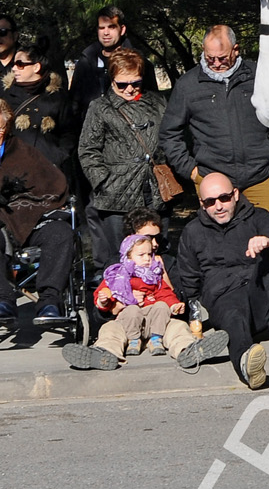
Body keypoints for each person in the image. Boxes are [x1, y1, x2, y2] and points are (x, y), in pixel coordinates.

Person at [159, 25, 269, 232]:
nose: (216, 63)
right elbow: (169, 133)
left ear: (236, 50)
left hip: (261, 175)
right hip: (212, 179)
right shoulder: (188, 85)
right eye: (210, 58)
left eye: (222, 57)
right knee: (220, 245)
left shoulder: (260, 76)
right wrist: (192, 171)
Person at [176, 172, 269, 389]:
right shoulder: (192, 232)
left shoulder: (257, 216)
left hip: (260, 296)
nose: (219, 206)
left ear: (236, 194)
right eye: (211, 202)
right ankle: (246, 363)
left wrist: (266, 239)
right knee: (233, 317)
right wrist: (195, 319)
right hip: (225, 297)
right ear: (202, 204)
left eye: (224, 198)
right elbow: (188, 276)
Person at [60, 231, 229, 371]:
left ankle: (188, 349)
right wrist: (105, 301)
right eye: (141, 255)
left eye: (150, 254)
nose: (148, 258)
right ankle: (104, 353)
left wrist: (173, 304)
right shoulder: (117, 276)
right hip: (128, 322)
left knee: (177, 327)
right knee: (110, 329)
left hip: (156, 323)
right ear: (128, 256)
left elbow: (165, 293)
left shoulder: (154, 275)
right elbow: (104, 296)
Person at [77, 47, 168, 275]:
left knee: (157, 252)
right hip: (116, 194)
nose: (129, 89)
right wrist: (104, 182)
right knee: (119, 256)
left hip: (153, 189)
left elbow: (170, 138)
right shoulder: (99, 108)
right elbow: (88, 150)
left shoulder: (158, 103)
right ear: (112, 79)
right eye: (122, 84)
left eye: (135, 83)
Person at [0, 98, 74, 324]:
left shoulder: (25, 153)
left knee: (61, 232)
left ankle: (50, 300)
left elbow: (53, 185)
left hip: (31, 217)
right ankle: (3, 299)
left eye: (1, 127)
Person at [69, 6, 156, 127]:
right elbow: (74, 103)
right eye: (101, 28)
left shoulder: (139, 63)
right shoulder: (86, 62)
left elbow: (152, 103)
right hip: (91, 134)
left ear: (122, 29)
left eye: (111, 27)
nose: (106, 33)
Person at [1, 35, 73, 172]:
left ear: (36, 67)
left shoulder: (56, 97)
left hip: (47, 172)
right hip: (13, 170)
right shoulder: (6, 96)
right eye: (13, 64)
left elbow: (69, 133)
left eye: (20, 64)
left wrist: (57, 158)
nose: (14, 68)